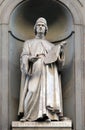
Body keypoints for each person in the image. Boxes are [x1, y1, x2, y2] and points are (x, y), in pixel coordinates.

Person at [18, 17, 65, 122]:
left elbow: (59, 65)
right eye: (38, 25)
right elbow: (24, 56)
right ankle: (29, 115)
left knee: (48, 92)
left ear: (46, 29)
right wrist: (30, 59)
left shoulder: (51, 46)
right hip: (35, 70)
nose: (40, 27)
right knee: (32, 91)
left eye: (43, 25)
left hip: (49, 71)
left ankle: (48, 115)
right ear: (35, 28)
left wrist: (60, 52)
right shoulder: (28, 43)